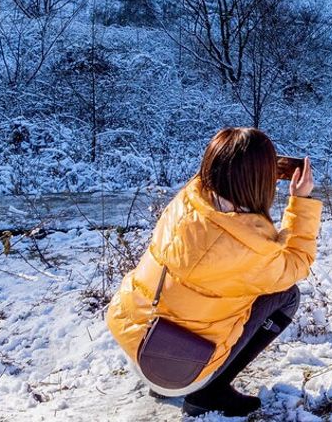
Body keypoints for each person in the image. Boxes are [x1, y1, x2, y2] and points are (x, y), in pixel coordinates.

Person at [107, 127, 320, 418]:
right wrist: (301, 202)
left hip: (137, 343)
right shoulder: (252, 247)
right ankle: (208, 391)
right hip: (184, 371)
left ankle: (165, 380)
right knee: (287, 295)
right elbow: (298, 262)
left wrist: (243, 160)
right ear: (259, 181)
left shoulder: (187, 201)